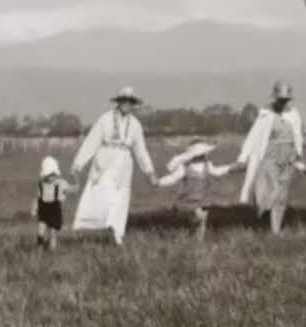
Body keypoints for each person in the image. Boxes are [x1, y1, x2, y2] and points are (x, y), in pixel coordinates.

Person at [70, 86, 157, 247]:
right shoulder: (105, 119)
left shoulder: (135, 125)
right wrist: (78, 165)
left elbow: (140, 150)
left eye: (130, 101)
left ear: (133, 104)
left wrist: (149, 172)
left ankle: (117, 235)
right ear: (118, 102)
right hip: (106, 160)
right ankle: (95, 229)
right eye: (123, 100)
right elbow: (92, 141)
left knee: (121, 198)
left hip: (124, 164)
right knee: (103, 195)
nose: (126, 104)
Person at [235, 80, 306, 235]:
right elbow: (253, 136)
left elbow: (297, 135)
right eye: (280, 99)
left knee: (282, 194)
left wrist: (299, 156)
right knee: (271, 189)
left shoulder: (294, 114)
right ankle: (262, 213)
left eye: (286, 100)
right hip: (270, 154)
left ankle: (275, 230)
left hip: (289, 155)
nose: (283, 103)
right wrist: (243, 157)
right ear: (275, 98)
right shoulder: (266, 113)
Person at [154, 140, 237, 240]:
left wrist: (230, 168)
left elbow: (217, 171)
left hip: (203, 199)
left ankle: (198, 241)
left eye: (204, 154)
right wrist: (159, 182)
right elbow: (173, 178)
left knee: (202, 221)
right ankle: (193, 235)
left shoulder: (207, 165)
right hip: (190, 199)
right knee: (198, 217)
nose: (204, 156)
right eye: (202, 154)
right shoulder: (184, 168)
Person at [29, 155, 72, 251]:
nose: (51, 177)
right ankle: (39, 244)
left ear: (56, 174)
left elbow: (70, 189)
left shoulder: (60, 183)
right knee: (41, 229)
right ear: (44, 175)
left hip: (55, 210)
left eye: (53, 175)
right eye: (48, 175)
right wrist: (34, 208)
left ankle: (52, 247)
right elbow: (37, 197)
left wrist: (75, 186)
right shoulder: (41, 184)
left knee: (53, 231)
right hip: (43, 210)